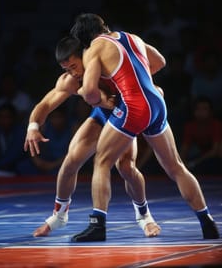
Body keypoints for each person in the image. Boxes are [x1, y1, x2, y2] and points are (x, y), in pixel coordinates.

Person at [66, 13, 219, 242]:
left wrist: (105, 100)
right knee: (176, 166)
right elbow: (160, 62)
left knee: (102, 162)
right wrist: (137, 79)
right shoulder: (132, 37)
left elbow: (89, 92)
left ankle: (98, 225)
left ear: (84, 39)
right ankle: (207, 223)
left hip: (133, 106)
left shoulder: (94, 48)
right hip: (156, 101)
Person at [24, 37, 162, 238]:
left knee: (126, 167)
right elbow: (45, 105)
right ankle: (59, 216)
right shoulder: (72, 80)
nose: (72, 73)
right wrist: (33, 127)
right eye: (67, 69)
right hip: (100, 117)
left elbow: (155, 65)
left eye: (73, 66)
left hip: (125, 116)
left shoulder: (110, 63)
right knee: (71, 161)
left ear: (84, 56)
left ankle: (145, 217)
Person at [180, 96, 222, 175]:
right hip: (202, 155)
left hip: (215, 157)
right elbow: (184, 148)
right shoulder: (190, 126)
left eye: (204, 109)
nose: (201, 112)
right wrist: (180, 164)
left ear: (211, 112)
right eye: (198, 109)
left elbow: (215, 150)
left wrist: (195, 163)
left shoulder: (217, 125)